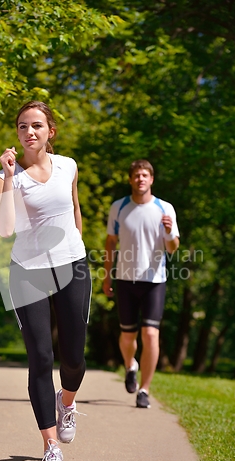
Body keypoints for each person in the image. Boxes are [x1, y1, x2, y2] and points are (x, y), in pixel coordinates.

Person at [0, 101, 91, 461]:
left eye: (36, 125)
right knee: (40, 358)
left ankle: (66, 402)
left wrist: (76, 246)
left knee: (74, 358)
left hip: (72, 266)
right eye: (21, 127)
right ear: (16, 134)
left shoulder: (69, 166)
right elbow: (4, 228)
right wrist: (7, 174)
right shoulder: (6, 177)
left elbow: (75, 207)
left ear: (51, 131)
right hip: (27, 271)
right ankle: (51, 449)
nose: (28, 132)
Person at [103, 159, 179, 409]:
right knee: (127, 337)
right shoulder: (119, 207)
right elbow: (110, 242)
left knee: (150, 334)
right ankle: (130, 366)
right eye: (136, 175)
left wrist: (169, 232)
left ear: (152, 179)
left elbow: (172, 248)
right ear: (130, 179)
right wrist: (107, 275)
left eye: (145, 175)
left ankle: (144, 390)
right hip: (125, 279)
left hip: (154, 281)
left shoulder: (164, 208)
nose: (140, 179)